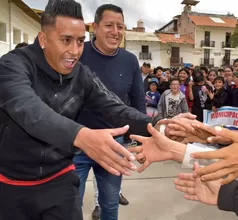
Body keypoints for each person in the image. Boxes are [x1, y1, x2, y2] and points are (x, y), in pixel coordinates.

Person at [0, 0, 157, 219]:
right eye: (66, 40)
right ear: (43, 39)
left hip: (61, 181)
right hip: (12, 186)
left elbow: (114, 107)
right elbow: (30, 110)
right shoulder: (12, 66)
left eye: (80, 41)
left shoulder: (81, 74)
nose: (74, 51)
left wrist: (159, 126)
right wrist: (81, 135)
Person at [72, 4, 146, 220]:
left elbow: (137, 102)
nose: (115, 32)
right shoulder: (78, 52)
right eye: (109, 25)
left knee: (110, 204)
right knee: (70, 203)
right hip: (78, 142)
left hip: (115, 144)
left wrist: (141, 139)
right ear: (94, 27)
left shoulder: (130, 60)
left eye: (120, 26)